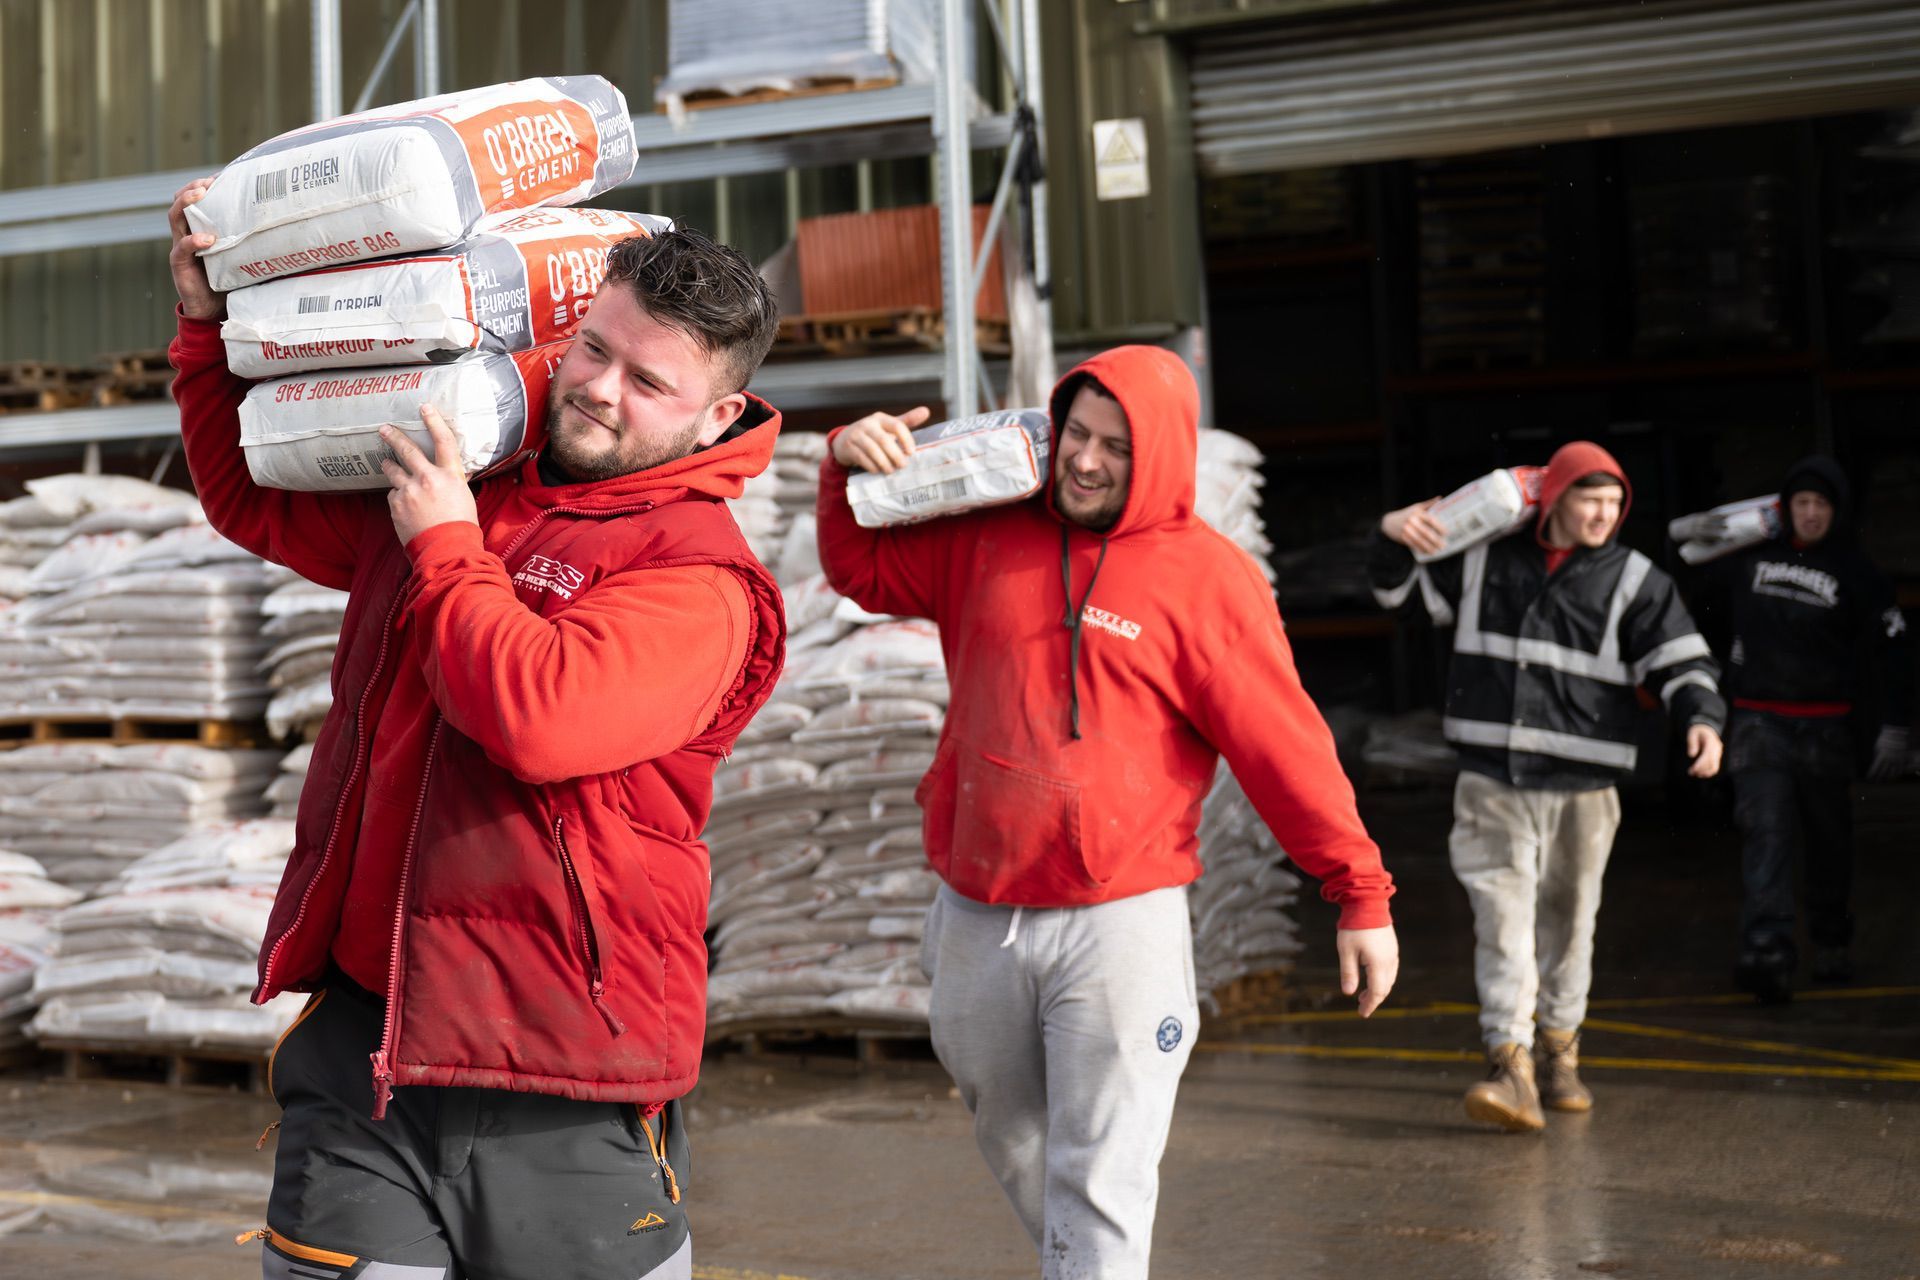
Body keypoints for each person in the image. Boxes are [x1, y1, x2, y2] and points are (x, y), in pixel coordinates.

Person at [166, 179, 785, 1280]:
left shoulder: (703, 578)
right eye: (594, 349)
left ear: (717, 415)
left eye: (648, 382)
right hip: (370, 1046)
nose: (597, 389)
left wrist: (451, 547)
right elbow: (255, 499)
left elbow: (540, 711)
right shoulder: (476, 474)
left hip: (557, 1076)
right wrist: (207, 334)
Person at [817, 347, 1399, 1278]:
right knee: (1010, 1133)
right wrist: (841, 463)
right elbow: (865, 574)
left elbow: (1284, 749)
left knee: (1104, 1171)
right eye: (1076, 435)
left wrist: (1358, 892)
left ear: (1161, 454)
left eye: (1116, 448)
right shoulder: (986, 532)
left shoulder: (1207, 582)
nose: (1085, 461)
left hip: (1120, 918)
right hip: (980, 909)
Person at [1371, 441, 1726, 1134]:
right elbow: (1401, 598)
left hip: (1583, 788)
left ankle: (1561, 1056)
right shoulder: (1484, 560)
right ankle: (1511, 1066)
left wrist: (1704, 720)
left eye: (1615, 502)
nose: (1604, 514)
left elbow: (1682, 660)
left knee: (1569, 924)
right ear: (1554, 500)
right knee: (1502, 924)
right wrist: (1388, 532)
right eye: (1589, 499)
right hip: (1492, 781)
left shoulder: (1635, 580)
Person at [1700, 456, 1913, 1004]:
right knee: (1765, 833)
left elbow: (1896, 650)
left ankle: (1832, 940)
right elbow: (1692, 567)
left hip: (1826, 730)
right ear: (1785, 509)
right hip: (1757, 723)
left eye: (1821, 505)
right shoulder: (1748, 560)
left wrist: (1896, 726)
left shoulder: (1857, 572)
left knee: (1828, 841)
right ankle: (1767, 951)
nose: (1812, 514)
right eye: (1802, 504)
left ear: (1835, 512)